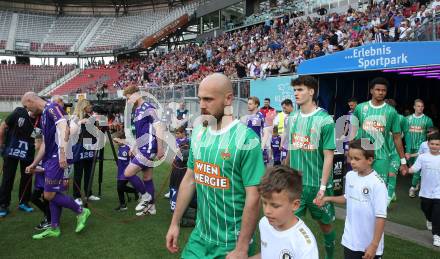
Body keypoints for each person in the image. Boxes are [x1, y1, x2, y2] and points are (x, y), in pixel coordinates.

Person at [166, 73, 265, 258]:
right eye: (200, 99)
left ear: (228, 99)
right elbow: (189, 179)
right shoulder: (198, 132)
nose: (202, 105)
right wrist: (175, 223)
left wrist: (242, 247)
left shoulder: (246, 139)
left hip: (231, 243)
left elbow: (254, 196)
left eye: (208, 99)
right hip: (200, 236)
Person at [22, 92, 90, 239]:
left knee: (48, 195)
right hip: (50, 158)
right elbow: (45, 144)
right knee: (54, 194)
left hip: (56, 158)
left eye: (27, 106)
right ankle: (54, 227)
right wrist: (34, 163)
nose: (28, 110)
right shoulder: (45, 115)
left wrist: (62, 153)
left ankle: (81, 211)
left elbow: (64, 128)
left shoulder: (52, 107)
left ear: (31, 101)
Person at [285, 75, 336, 259]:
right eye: (295, 90)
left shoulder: (325, 120)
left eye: (300, 90)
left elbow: (328, 156)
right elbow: (292, 148)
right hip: (296, 185)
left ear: (311, 91)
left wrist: (323, 188)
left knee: (326, 225)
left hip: (317, 186)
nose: (296, 94)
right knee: (289, 224)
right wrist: (283, 171)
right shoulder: (292, 118)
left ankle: (329, 256)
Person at [315, 139, 387, 259]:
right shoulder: (350, 176)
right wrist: (327, 199)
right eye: (350, 158)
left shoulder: (377, 184)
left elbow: (381, 217)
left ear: (369, 160)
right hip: (350, 242)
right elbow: (347, 198)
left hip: (368, 245)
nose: (352, 162)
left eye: (356, 159)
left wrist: (374, 245)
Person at [251, 166, 319, 259]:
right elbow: (267, 254)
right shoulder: (264, 223)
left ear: (295, 205)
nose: (267, 211)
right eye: (264, 203)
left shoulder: (304, 244)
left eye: (275, 205)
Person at [350, 77, 408, 185]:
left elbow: (397, 138)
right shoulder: (360, 108)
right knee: (359, 186)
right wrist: (350, 152)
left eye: (383, 90)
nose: (380, 92)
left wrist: (403, 161)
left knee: (379, 188)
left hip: (381, 157)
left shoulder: (391, 112)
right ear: (371, 90)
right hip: (361, 155)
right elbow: (352, 131)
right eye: (377, 90)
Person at [123, 85, 165, 216]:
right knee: (147, 178)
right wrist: (134, 146)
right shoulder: (137, 110)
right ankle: (151, 207)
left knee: (128, 173)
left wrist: (160, 147)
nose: (128, 101)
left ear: (136, 94)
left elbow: (159, 128)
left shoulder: (149, 108)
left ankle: (145, 197)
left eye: (129, 98)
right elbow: (141, 132)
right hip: (142, 147)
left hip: (148, 148)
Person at [0, 106, 37, 217]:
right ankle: (3, 204)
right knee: (8, 177)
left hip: (28, 152)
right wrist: (1, 145)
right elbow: (3, 126)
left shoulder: (40, 118)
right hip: (11, 150)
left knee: (27, 177)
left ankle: (23, 202)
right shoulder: (19, 112)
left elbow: (38, 136)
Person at [407, 132, 440, 247]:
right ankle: (428, 219)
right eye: (432, 144)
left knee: (437, 214)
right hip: (425, 191)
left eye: (437, 144)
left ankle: (437, 236)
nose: (434, 146)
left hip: (438, 192)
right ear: (428, 144)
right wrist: (406, 169)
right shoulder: (423, 157)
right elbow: (414, 169)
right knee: (425, 208)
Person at [69, 99, 100, 205]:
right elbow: (71, 132)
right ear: (83, 107)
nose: (90, 107)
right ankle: (76, 196)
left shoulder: (91, 116)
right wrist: (80, 122)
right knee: (78, 173)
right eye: (88, 105)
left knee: (89, 172)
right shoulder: (75, 117)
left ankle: (88, 193)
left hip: (90, 145)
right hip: (79, 146)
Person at [405, 99, 434, 198]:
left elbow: (431, 135)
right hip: (409, 149)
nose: (420, 108)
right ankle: (417, 182)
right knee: (412, 168)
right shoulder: (407, 119)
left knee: (417, 169)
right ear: (414, 107)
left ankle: (413, 187)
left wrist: (429, 148)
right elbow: (404, 134)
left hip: (421, 149)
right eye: (418, 106)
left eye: (422, 106)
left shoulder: (428, 120)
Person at [29, 134, 51, 230]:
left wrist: (34, 170)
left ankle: (49, 220)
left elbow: (46, 169)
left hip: (46, 183)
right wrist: (32, 168)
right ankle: (48, 215)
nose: (34, 144)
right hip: (39, 182)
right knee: (34, 198)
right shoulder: (38, 154)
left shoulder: (46, 154)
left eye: (35, 142)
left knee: (47, 201)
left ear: (41, 143)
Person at [113, 131, 138, 212]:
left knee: (120, 187)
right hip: (120, 171)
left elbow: (135, 158)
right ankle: (123, 205)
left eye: (117, 141)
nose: (116, 143)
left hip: (127, 171)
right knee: (119, 188)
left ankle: (137, 190)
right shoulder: (120, 147)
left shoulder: (128, 147)